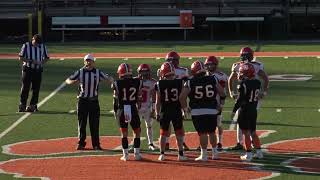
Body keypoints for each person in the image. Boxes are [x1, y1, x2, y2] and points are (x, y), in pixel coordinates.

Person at [65, 54, 113, 151]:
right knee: (82, 123)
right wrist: (72, 82)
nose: (88, 62)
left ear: (93, 62)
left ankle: (96, 144)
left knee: (94, 124)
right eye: (86, 61)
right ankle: (81, 143)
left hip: (94, 101)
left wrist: (110, 81)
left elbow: (109, 78)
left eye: (90, 60)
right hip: (82, 101)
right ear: (84, 62)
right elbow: (68, 80)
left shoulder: (98, 72)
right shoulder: (80, 72)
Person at [180, 60, 225, 161]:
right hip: (212, 109)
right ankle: (215, 153)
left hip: (197, 111)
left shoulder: (190, 81)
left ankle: (204, 155)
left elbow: (182, 97)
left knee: (202, 133)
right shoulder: (213, 78)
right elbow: (222, 93)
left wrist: (185, 108)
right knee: (212, 132)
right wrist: (221, 105)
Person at [228, 47, 269, 150]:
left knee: (245, 118)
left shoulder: (256, 66)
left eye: (247, 55)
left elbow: (265, 78)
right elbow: (231, 79)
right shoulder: (237, 66)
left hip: (251, 96)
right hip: (244, 92)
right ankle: (242, 142)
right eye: (244, 55)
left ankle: (248, 142)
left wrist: (264, 91)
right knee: (242, 118)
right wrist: (231, 92)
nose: (245, 57)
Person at [157, 51, 190, 151]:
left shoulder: (182, 70)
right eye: (174, 60)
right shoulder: (180, 70)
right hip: (173, 99)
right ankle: (168, 142)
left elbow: (186, 85)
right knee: (172, 123)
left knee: (177, 123)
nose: (175, 62)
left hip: (177, 98)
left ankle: (180, 142)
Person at [231, 63, 264, 161]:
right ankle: (259, 152)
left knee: (246, 133)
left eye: (242, 72)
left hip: (245, 110)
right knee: (253, 132)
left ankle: (248, 154)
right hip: (253, 109)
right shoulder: (257, 82)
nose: (240, 74)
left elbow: (240, 99)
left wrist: (234, 111)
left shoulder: (243, 84)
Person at [113, 63, 143, 161]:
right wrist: (139, 105)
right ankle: (137, 153)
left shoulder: (117, 83)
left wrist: (115, 110)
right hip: (133, 107)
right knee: (137, 131)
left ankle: (125, 155)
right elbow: (139, 96)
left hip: (123, 108)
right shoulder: (137, 81)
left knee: (124, 133)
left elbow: (116, 98)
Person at [18, 34, 50, 112]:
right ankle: (22, 105)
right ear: (32, 40)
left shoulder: (43, 46)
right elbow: (20, 57)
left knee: (36, 89)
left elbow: (46, 58)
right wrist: (31, 61)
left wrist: (41, 62)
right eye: (36, 43)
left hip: (38, 70)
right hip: (28, 69)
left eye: (38, 43)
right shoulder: (26, 45)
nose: (37, 45)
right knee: (25, 87)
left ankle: (32, 106)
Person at [204, 56, 228, 151]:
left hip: (216, 102)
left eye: (211, 64)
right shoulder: (203, 75)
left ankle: (219, 142)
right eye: (208, 64)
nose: (209, 66)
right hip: (205, 102)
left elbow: (223, 92)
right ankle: (204, 143)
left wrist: (221, 104)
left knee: (218, 123)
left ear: (215, 65)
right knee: (205, 124)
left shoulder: (221, 76)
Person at [136, 64, 157, 151]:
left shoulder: (152, 82)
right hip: (138, 107)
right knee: (136, 127)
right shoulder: (135, 81)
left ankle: (150, 143)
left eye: (145, 72)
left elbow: (154, 97)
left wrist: (153, 109)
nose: (144, 74)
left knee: (149, 126)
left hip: (148, 106)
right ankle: (136, 144)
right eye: (142, 72)